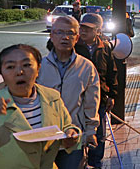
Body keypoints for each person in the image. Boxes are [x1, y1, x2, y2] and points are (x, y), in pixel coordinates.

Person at [0, 44, 80, 168]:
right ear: (2, 74)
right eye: (10, 67)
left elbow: (67, 126)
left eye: (27, 65)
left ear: (38, 68)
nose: (19, 72)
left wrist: (71, 135)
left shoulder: (52, 97)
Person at [37, 16, 100, 169]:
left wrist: (91, 131)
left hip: (73, 137)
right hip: (44, 138)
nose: (64, 37)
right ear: (51, 36)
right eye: (59, 32)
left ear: (77, 38)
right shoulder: (38, 66)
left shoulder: (86, 67)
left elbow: (91, 102)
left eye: (70, 33)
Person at [75, 13, 118, 169]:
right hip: (77, 97)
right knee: (77, 131)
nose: (83, 31)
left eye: (88, 28)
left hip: (100, 97)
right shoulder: (74, 46)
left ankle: (95, 163)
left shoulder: (104, 47)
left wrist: (112, 95)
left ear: (98, 31)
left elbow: (112, 72)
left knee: (98, 134)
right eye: (82, 27)